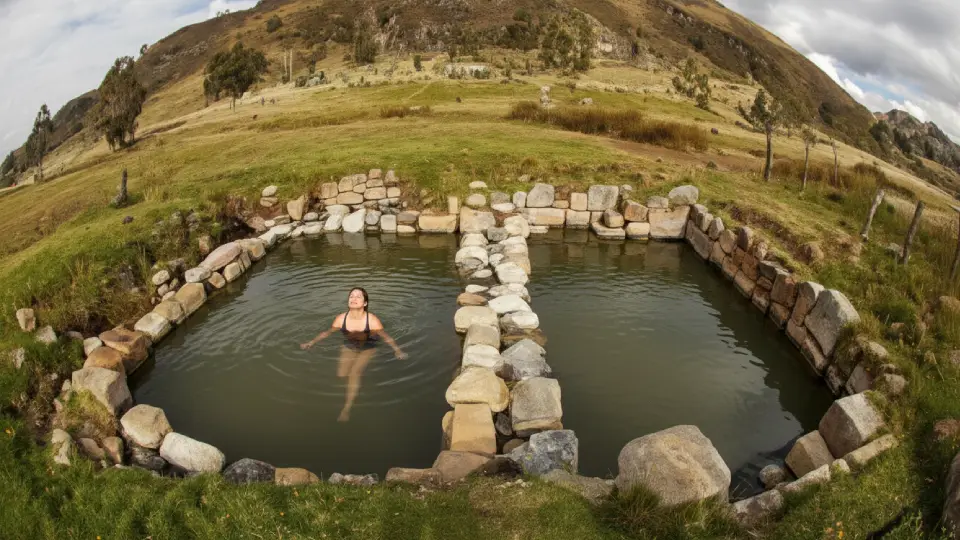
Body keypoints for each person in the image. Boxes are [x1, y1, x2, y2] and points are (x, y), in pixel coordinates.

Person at [300, 287, 406, 421]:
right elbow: (327, 332)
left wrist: (397, 350)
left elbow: (386, 336)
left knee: (355, 372)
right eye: (351, 296)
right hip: (350, 345)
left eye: (358, 296)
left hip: (368, 346)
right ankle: (355, 386)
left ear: (365, 303)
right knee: (341, 375)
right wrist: (311, 342)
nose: (354, 298)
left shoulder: (372, 320)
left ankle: (347, 409)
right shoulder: (341, 319)